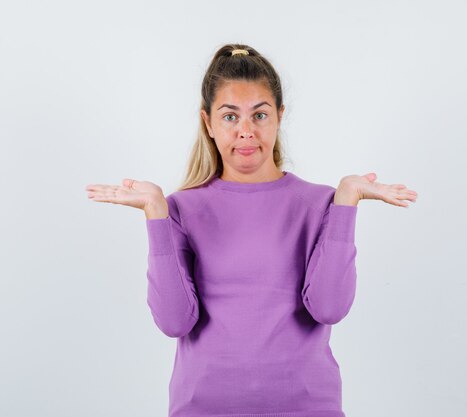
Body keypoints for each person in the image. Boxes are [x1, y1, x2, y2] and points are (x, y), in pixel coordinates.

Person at [85, 44, 417, 417]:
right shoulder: (181, 209)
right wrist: (156, 214)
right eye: (230, 117)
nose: (246, 131)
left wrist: (346, 201)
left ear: (279, 117)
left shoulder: (320, 204)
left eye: (259, 115)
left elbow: (329, 308)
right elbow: (174, 321)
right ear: (208, 122)